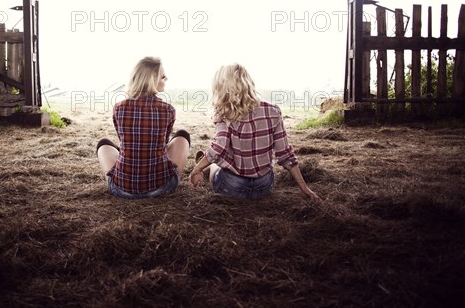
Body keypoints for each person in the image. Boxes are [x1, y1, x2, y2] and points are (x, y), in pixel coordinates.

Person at [189, 63, 320, 201]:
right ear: (248, 83)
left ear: (221, 88)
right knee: (218, 158)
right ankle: (205, 165)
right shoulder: (272, 111)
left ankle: (204, 168)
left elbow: (219, 148)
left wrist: (195, 169)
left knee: (215, 164)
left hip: (232, 186)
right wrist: (304, 187)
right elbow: (285, 154)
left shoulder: (224, 113)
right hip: (263, 186)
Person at [96, 57, 190, 199]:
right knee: (183, 135)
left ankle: (123, 177)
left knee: (104, 143)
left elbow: (123, 140)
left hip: (122, 189)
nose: (167, 79)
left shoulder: (119, 108)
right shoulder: (168, 110)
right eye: (163, 76)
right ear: (152, 79)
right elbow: (163, 144)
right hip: (161, 188)